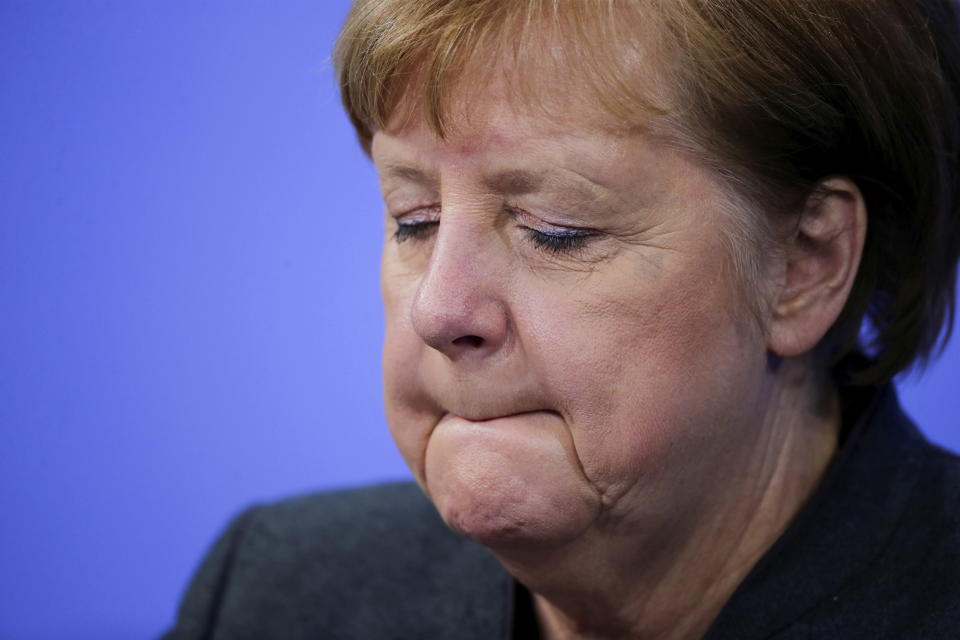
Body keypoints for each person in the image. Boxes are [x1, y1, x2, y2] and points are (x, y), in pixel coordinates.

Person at [162, 1, 960, 638]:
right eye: (414, 217)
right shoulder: (274, 594)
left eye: (557, 228)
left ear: (804, 265)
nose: (439, 310)